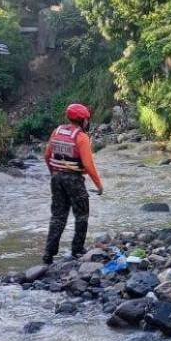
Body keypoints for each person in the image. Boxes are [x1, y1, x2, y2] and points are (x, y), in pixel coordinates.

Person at [43, 103, 103, 264]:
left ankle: (48, 253)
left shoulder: (57, 131)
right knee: (82, 214)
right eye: (87, 120)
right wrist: (99, 185)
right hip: (74, 179)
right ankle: (77, 249)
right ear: (83, 120)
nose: (87, 122)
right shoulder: (81, 137)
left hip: (56, 178)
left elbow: (47, 155)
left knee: (58, 216)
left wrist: (53, 173)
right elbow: (88, 165)